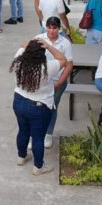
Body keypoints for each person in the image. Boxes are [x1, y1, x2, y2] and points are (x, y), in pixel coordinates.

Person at [11, 37, 68, 175]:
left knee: (23, 131)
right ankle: (38, 167)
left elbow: (22, 45)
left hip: (19, 101)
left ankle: (21, 157)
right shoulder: (47, 67)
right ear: (42, 54)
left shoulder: (18, 60)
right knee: (38, 137)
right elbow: (63, 60)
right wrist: (49, 46)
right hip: (39, 106)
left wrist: (29, 43)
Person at [35, 16, 74, 145]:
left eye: (54, 28)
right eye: (49, 27)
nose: (51, 31)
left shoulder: (65, 43)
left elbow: (69, 65)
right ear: (46, 27)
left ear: (59, 28)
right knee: (36, 107)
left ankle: (48, 133)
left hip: (58, 80)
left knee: (52, 107)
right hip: (41, 81)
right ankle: (34, 134)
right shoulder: (38, 38)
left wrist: (59, 83)